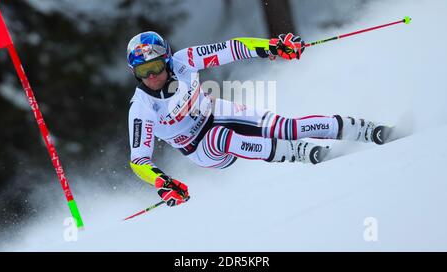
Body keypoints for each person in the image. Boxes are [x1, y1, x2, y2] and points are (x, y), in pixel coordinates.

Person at [127, 32, 391, 207]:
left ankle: (367, 130)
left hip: (217, 111)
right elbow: (139, 160)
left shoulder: (184, 61)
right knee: (221, 137)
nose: (151, 76)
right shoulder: (141, 107)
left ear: (168, 61)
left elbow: (232, 48)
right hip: (199, 149)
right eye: (142, 71)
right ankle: (299, 153)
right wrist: (164, 183)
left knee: (286, 127)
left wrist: (273, 46)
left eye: (155, 67)